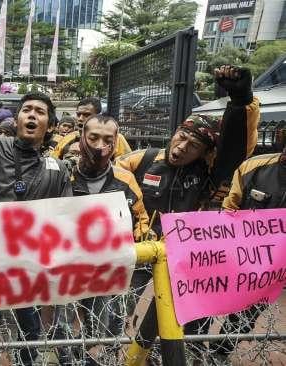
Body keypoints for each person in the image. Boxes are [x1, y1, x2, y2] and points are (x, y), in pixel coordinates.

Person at [115, 65, 260, 356]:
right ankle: (118, 351)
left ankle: (182, 358)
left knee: (186, 322)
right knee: (117, 308)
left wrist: (241, 100)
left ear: (205, 153)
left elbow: (236, 145)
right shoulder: (143, 159)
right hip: (141, 250)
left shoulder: (210, 172)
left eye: (193, 146)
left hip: (187, 260)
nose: (181, 148)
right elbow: (110, 180)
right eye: (181, 137)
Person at [53, 114, 152, 365]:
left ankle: (95, 355)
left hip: (106, 269)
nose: (100, 145)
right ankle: (66, 359)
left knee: (103, 323)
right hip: (66, 267)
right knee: (62, 322)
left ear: (116, 141)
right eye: (93, 137)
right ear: (82, 136)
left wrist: (141, 243)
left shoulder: (125, 179)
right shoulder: (62, 175)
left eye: (108, 139)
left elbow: (140, 218)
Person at [0, 92, 73, 366]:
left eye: (40, 111)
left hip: (30, 268)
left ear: (50, 125)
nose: (32, 115)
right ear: (17, 118)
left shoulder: (58, 169)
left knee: (30, 331)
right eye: (26, 109)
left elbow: (67, 218)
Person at [209, 148, 285, 362]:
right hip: (240, 253)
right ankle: (190, 343)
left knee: (247, 313)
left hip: (274, 267)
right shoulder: (253, 167)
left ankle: (220, 352)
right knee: (207, 298)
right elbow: (229, 208)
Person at [52, 97, 132, 160]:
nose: (80, 118)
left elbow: (125, 166)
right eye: (78, 114)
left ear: (99, 116)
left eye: (86, 115)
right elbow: (53, 160)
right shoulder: (68, 138)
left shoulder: (117, 139)